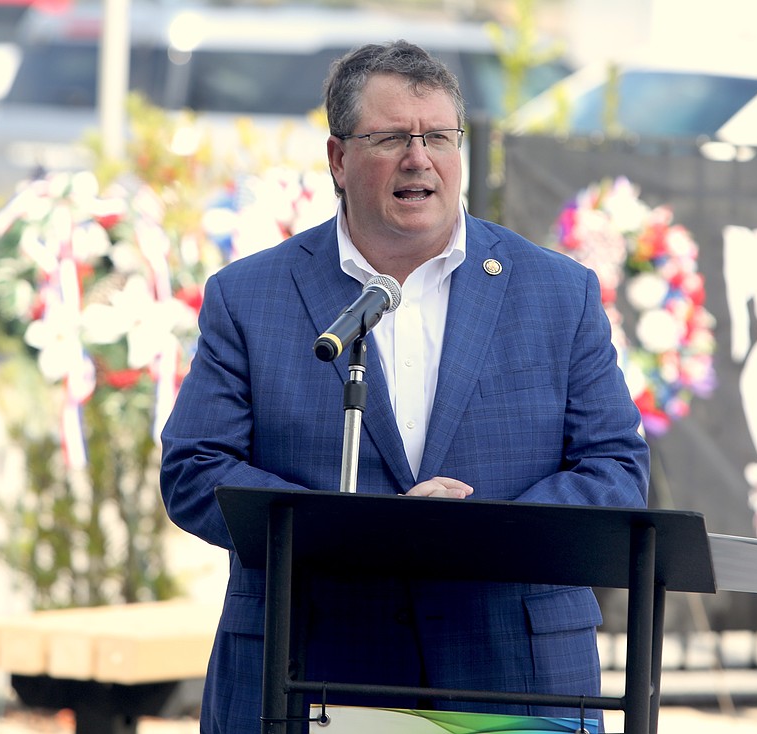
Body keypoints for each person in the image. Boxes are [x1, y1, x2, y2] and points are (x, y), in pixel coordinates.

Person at [159, 40, 650, 734]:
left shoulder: (557, 292)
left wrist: (484, 533)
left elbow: (615, 470)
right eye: (391, 138)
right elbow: (194, 468)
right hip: (311, 669)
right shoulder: (251, 296)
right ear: (338, 159)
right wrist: (358, 530)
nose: (420, 158)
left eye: (439, 138)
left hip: (513, 674)